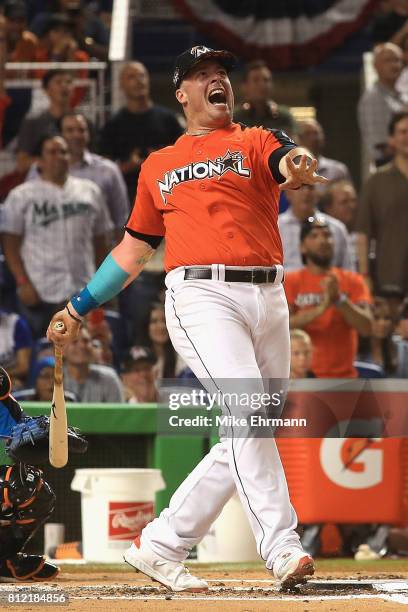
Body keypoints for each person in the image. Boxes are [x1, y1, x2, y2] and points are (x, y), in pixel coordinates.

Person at [47, 45, 329, 592]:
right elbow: (132, 252)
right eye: (202, 75)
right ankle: (283, 546)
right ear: (181, 94)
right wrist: (77, 307)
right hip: (201, 296)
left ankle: (161, 544)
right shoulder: (158, 165)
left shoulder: (255, 139)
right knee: (248, 414)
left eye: (221, 73)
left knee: (248, 430)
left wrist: (297, 165)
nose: (216, 80)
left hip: (269, 295)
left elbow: (287, 160)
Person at [0, 135, 112, 337]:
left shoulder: (90, 191)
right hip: (41, 289)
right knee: (44, 357)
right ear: (39, 160)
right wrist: (22, 281)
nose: (59, 156)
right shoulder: (21, 195)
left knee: (84, 350)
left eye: (64, 151)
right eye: (52, 152)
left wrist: (102, 283)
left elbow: (101, 241)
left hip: (83, 289)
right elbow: (10, 245)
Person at [284, 216, 372, 378]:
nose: (323, 240)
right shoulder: (290, 282)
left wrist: (339, 299)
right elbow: (283, 325)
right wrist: (322, 308)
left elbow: (367, 327)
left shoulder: (352, 281)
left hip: (344, 379)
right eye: (314, 236)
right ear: (302, 247)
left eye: (327, 235)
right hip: (302, 378)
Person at [28, 112, 130, 240]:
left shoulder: (108, 171)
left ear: (88, 135)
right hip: (49, 249)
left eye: (81, 130)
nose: (76, 135)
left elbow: (121, 220)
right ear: (59, 135)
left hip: (100, 250)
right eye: (70, 130)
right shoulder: (39, 169)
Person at [100, 61, 184, 203]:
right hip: (128, 200)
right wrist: (129, 165)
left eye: (141, 75)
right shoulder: (113, 125)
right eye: (131, 77)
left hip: (167, 196)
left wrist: (160, 159)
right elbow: (104, 171)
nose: (138, 81)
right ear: (121, 85)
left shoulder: (169, 119)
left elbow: (185, 159)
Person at [355, 111, 408, 294]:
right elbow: (363, 234)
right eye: (403, 132)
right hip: (390, 278)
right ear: (392, 139)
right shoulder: (376, 182)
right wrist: (364, 276)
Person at [278, 183, 354, 272]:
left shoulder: (337, 229)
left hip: (327, 284)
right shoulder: (275, 228)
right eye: (299, 187)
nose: (306, 192)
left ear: (317, 193)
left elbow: (349, 271)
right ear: (287, 193)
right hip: (286, 284)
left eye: (310, 187)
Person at [357, 43, 408, 172]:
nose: (394, 65)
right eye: (388, 60)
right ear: (376, 66)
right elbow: (380, 147)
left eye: (397, 60)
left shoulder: (403, 96)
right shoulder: (373, 98)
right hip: (392, 168)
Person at [16, 69, 75, 172]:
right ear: (46, 90)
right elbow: (22, 163)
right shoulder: (33, 122)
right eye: (58, 82)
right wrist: (51, 162)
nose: (64, 86)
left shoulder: (81, 123)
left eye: (68, 82)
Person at [234, 60, 297, 137]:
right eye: (256, 80)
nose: (262, 85)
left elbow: (294, 144)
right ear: (245, 86)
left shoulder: (283, 116)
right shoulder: (235, 118)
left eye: (266, 80)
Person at [62, 325, 124, 402]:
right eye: (74, 341)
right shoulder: (53, 379)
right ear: (62, 350)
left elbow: (118, 413)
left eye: (86, 341)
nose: (82, 346)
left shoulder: (108, 378)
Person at [297, 119, 352, 193]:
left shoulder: (338, 171)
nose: (313, 138)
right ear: (298, 139)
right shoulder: (289, 171)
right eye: (307, 134)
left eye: (316, 133)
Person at [318, 180, 359, 271]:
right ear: (328, 208)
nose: (352, 206)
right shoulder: (320, 236)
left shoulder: (364, 233)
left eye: (353, 200)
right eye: (344, 202)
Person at [357, 296, 397, 376]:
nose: (382, 323)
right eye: (376, 318)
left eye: (387, 318)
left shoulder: (403, 351)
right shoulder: (353, 352)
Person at [0, 309, 32, 388]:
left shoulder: (16, 323)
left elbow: (23, 367)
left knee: (16, 384)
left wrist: (3, 376)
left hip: (10, 378)